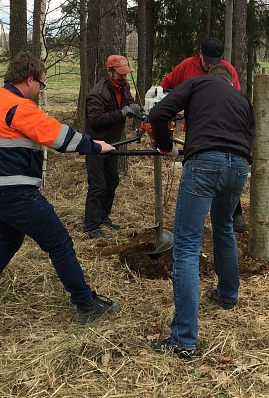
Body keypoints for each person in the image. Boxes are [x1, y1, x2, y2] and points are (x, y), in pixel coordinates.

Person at [0, 51, 121, 324]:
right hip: (13, 193)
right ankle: (85, 302)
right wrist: (95, 146)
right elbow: (56, 134)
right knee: (59, 242)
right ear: (30, 80)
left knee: (10, 240)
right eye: (41, 85)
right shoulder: (18, 106)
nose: (39, 91)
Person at [147, 65, 255, 359]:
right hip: (240, 167)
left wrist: (165, 146)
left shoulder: (197, 84)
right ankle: (228, 295)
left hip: (205, 164)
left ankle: (183, 340)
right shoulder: (242, 99)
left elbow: (157, 114)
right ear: (230, 81)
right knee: (224, 229)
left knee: (186, 247)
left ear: (210, 77)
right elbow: (251, 136)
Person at [159, 38, 247, 232]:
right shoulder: (186, 67)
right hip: (198, 131)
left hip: (225, 132)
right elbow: (166, 85)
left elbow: (235, 99)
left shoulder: (228, 71)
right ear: (200, 54)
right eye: (207, 61)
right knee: (201, 174)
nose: (209, 65)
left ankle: (235, 214)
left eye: (214, 62)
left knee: (222, 173)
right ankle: (199, 213)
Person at [82, 55, 142, 239]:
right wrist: (122, 113)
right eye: (120, 74)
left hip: (112, 143)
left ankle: (103, 217)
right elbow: (96, 120)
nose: (123, 77)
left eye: (125, 73)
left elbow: (126, 102)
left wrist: (133, 107)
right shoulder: (97, 93)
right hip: (95, 144)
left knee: (112, 181)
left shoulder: (123, 86)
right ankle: (91, 226)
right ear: (109, 72)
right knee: (97, 185)